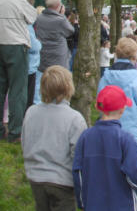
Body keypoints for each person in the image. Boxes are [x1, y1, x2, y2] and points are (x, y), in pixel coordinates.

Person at [73, 85, 137, 211]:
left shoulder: (85, 137)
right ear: (122, 110)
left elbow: (78, 173)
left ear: (97, 107)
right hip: (122, 205)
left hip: (93, 205)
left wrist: (82, 202)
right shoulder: (126, 139)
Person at [98, 37, 137, 211]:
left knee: (113, 182)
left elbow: (101, 104)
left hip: (110, 137)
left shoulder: (105, 77)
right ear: (135, 55)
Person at [22, 65, 87, 211]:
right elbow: (78, 156)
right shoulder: (75, 119)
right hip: (62, 181)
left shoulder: (31, 112)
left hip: (35, 177)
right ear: (69, 87)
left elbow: (25, 142)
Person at [0, 0, 37, 142]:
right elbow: (32, 17)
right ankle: (15, 131)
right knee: (18, 89)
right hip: (15, 46)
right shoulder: (19, 0)